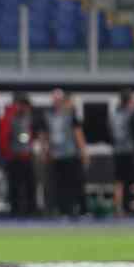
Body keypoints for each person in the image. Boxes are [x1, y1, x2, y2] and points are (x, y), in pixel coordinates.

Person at [43, 89, 88, 218]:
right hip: (59, 155)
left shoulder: (70, 114)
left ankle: (80, 209)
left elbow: (78, 134)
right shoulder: (51, 115)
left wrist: (83, 152)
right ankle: (66, 210)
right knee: (62, 185)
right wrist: (46, 151)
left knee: (75, 183)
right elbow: (47, 136)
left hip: (70, 154)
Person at [0, 94, 38, 217]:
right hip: (14, 157)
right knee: (15, 185)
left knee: (30, 184)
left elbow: (34, 135)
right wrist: (7, 154)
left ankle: (31, 209)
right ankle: (16, 210)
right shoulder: (10, 117)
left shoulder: (30, 118)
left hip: (27, 156)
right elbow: (4, 138)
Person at [110, 89, 134, 216]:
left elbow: (111, 133)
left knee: (118, 181)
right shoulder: (132, 113)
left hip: (117, 151)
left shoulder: (115, 114)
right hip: (129, 150)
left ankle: (118, 209)